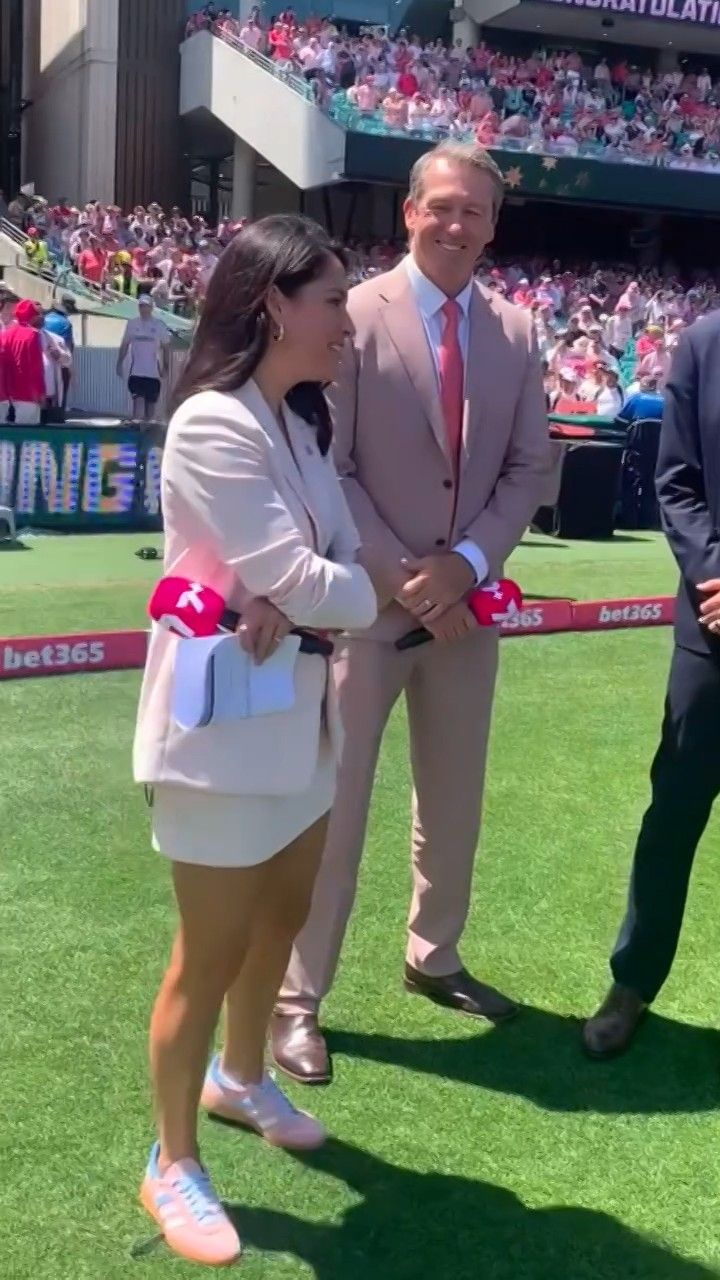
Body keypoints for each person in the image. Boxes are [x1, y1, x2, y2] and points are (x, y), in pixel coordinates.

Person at [269, 139, 551, 1085]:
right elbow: (331, 464)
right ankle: (297, 1000)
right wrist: (403, 574)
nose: (456, 225)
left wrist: (465, 568)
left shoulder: (518, 330)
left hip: (465, 618)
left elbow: (529, 469)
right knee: (335, 811)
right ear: (410, 212)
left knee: (454, 803)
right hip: (367, 611)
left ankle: (434, 954)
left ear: (493, 225)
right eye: (443, 206)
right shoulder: (352, 315)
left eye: (475, 211)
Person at [132, 214, 378, 1267]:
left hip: (300, 721)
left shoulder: (301, 422)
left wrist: (313, 592)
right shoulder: (213, 422)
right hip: (221, 733)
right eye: (333, 302)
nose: (347, 325)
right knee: (210, 951)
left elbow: (335, 562)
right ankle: (171, 1160)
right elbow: (319, 580)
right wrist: (318, 594)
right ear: (274, 305)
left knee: (280, 916)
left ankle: (239, 1079)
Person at [583, 313, 720, 1059]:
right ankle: (633, 981)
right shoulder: (704, 344)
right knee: (673, 814)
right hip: (713, 626)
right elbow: (677, 481)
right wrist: (714, 575)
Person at [116, 296, 171, 421]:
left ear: (151, 308)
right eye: (141, 306)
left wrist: (165, 367)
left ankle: (147, 432)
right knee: (138, 412)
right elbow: (125, 344)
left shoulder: (159, 325)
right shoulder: (132, 324)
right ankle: (135, 431)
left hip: (153, 375)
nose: (143, 309)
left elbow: (166, 348)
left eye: (146, 306)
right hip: (136, 373)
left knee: (150, 414)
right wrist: (119, 363)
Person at [0, 299, 48, 424]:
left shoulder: (5, 334)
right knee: (27, 432)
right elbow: (36, 367)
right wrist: (41, 392)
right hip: (27, 392)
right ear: (32, 316)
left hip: (6, 391)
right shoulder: (33, 335)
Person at [43, 295, 75, 412]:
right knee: (60, 392)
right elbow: (68, 348)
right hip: (59, 362)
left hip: (42, 362)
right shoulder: (66, 323)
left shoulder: (43, 318)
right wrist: (69, 368)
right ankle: (58, 414)